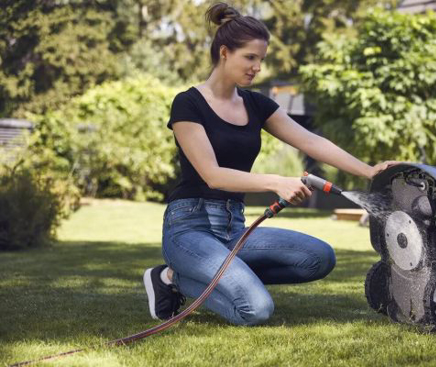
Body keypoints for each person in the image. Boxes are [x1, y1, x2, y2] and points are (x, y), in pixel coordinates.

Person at [143, 2, 399, 326]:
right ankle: (171, 277)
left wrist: (369, 170)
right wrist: (277, 182)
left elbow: (311, 141)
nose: (257, 67)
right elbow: (212, 175)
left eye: (261, 59)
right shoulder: (188, 103)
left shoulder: (257, 104)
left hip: (233, 227)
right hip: (190, 227)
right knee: (256, 310)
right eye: (250, 57)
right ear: (224, 52)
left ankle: (217, 275)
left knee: (318, 258)